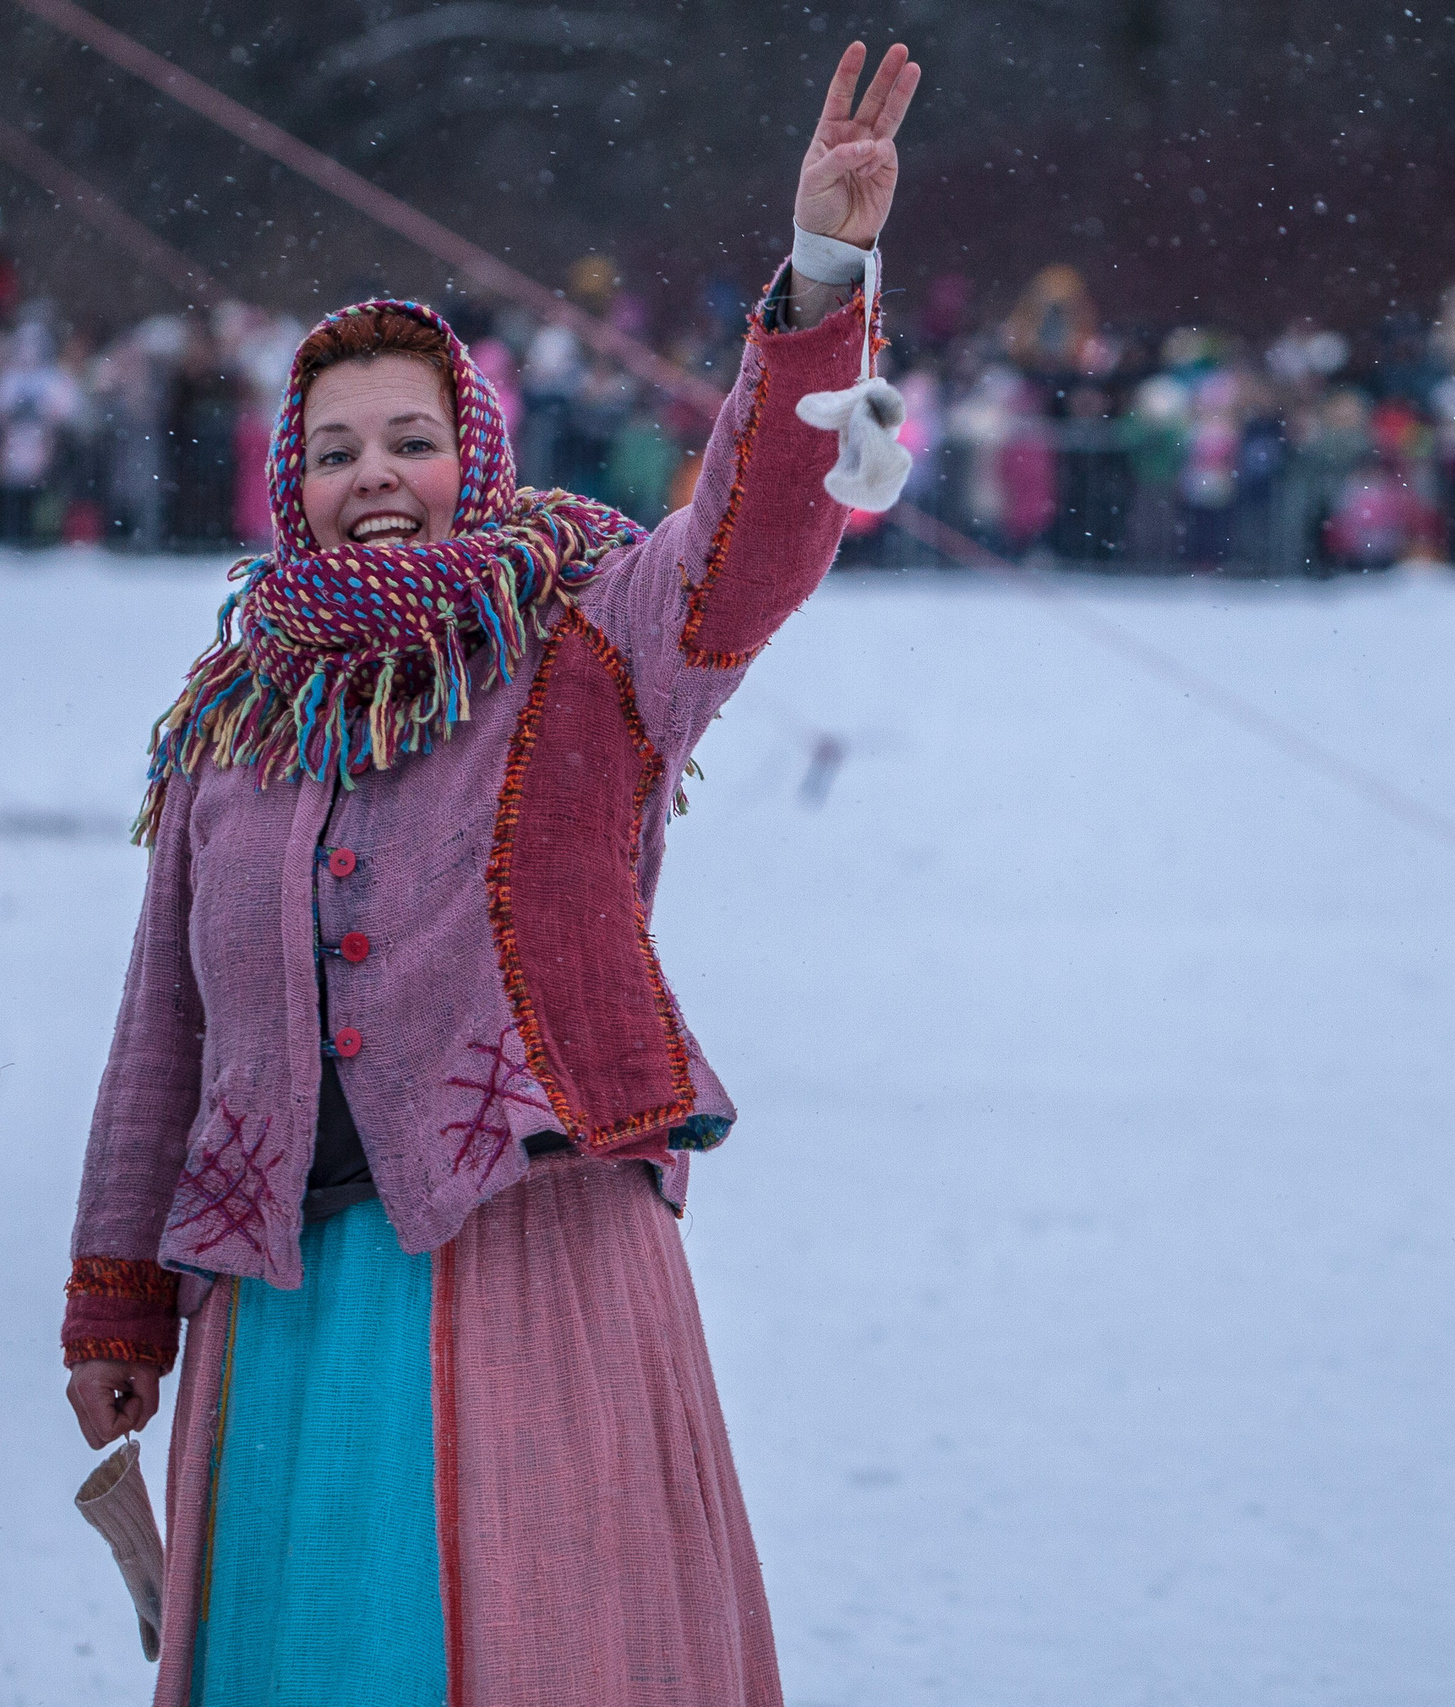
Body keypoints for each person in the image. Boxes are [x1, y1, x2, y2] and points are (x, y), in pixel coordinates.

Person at [60, 39, 921, 1706]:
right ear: (289, 485)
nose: (372, 477)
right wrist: (115, 1306)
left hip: (525, 1265)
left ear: (476, 452)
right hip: (280, 1303)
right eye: (332, 452)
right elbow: (160, 1035)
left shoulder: (587, 642)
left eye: (407, 440)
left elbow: (746, 546)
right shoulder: (234, 726)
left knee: (532, 1644)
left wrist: (824, 269)